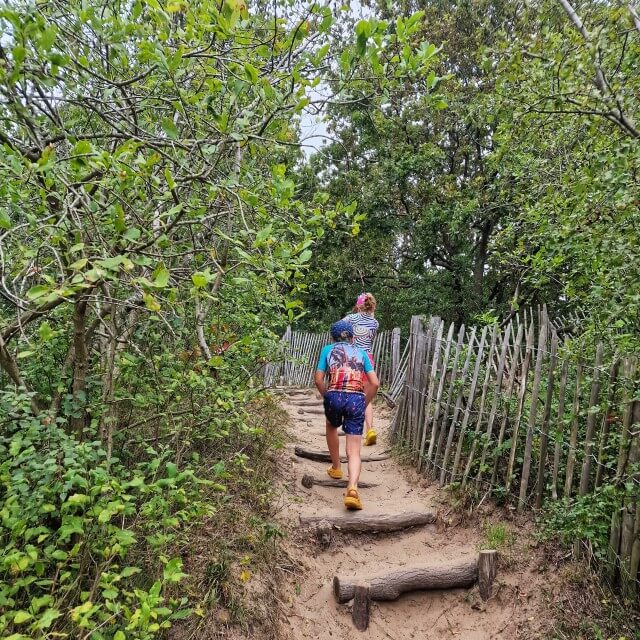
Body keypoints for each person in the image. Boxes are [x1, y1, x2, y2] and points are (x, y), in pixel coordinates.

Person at [314, 320, 379, 510]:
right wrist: (363, 403)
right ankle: (352, 490)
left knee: (331, 426)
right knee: (354, 450)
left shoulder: (327, 350)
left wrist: (327, 397)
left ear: (332, 337)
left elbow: (318, 379)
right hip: (356, 399)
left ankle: (336, 468)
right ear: (352, 337)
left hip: (334, 394)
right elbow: (374, 383)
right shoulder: (361, 353)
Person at [343, 293, 379, 446]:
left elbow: (337, 327)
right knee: (366, 396)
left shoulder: (351, 319)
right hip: (367, 359)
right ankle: (370, 429)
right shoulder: (375, 322)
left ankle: (352, 428)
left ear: (358, 305)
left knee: (350, 393)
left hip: (353, 357)